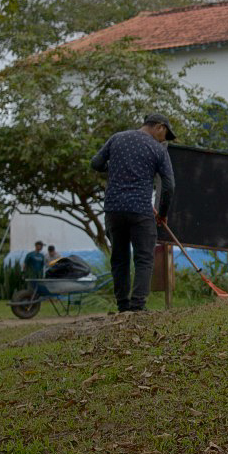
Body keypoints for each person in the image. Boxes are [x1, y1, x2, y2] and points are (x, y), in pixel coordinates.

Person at [91, 113, 177, 313]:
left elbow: (95, 163)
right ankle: (137, 307)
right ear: (160, 127)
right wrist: (162, 213)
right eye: (166, 135)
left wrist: (112, 168)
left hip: (113, 209)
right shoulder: (158, 149)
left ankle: (122, 306)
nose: (164, 140)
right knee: (144, 258)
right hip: (140, 210)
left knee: (119, 258)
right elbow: (169, 186)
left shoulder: (117, 138)